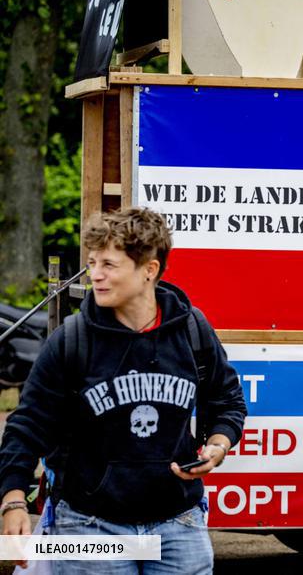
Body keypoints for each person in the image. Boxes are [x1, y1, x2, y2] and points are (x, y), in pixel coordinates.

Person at [0, 207, 246, 574]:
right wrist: (13, 500)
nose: (95, 275)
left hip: (179, 524)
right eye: (92, 263)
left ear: (149, 269)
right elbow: (27, 425)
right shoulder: (72, 340)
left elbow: (227, 401)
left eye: (109, 265)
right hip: (90, 525)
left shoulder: (191, 330)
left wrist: (218, 445)